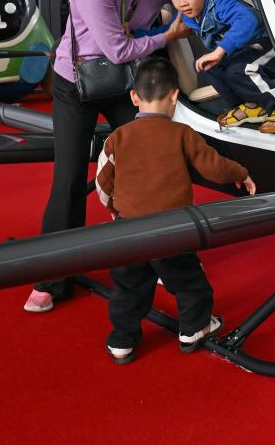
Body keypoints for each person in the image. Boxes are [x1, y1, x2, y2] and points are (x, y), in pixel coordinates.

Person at [24, 0, 191, 313]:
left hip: (124, 81)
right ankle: (52, 278)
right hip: (77, 82)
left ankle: (160, 258)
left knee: (150, 164)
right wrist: (168, 36)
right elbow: (117, 49)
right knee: (68, 178)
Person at [94, 57, 256, 364]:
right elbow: (214, 167)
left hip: (128, 231)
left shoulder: (118, 137)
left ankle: (121, 341)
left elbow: (102, 180)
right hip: (173, 229)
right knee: (188, 281)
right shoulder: (182, 133)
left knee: (128, 287)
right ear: (174, 96)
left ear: (134, 97)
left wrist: (115, 210)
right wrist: (241, 173)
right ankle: (193, 329)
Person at [156, 0, 275, 133]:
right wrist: (136, 36)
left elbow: (249, 19)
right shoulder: (186, 13)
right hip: (243, 52)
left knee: (239, 69)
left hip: (267, 45)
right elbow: (165, 31)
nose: (182, 3)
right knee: (205, 66)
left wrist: (219, 51)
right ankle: (248, 105)